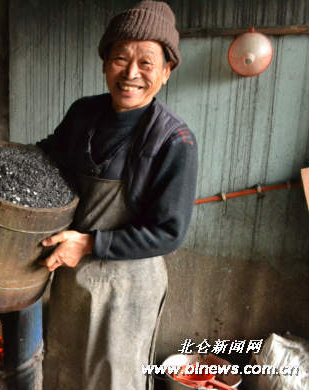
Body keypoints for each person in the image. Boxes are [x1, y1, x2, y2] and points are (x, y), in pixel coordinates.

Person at [36, 1, 198, 389]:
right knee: (63, 373)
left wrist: (90, 243)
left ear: (166, 72)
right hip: (73, 281)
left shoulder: (174, 140)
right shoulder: (83, 114)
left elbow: (169, 232)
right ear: (105, 62)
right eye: (120, 58)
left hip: (127, 288)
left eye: (146, 62)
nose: (131, 73)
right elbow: (50, 156)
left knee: (114, 379)